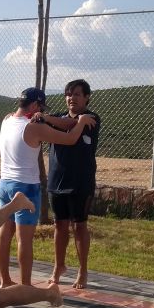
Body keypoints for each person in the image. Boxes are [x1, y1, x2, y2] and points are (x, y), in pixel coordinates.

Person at [0, 87, 96, 287]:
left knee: (4, 233)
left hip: (4, 184)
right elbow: (70, 139)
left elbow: (64, 123)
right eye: (40, 109)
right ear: (35, 105)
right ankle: (25, 286)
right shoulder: (33, 127)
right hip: (25, 188)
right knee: (24, 240)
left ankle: (4, 281)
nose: (40, 113)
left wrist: (60, 118)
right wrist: (82, 122)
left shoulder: (7, 120)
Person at [39, 79, 101, 289]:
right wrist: (40, 117)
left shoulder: (91, 118)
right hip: (56, 181)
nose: (71, 98)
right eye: (68, 94)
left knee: (79, 225)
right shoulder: (57, 118)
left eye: (76, 94)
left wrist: (47, 118)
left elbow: (71, 125)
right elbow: (51, 123)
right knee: (60, 225)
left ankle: (83, 271)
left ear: (86, 97)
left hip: (80, 182)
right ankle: (59, 266)